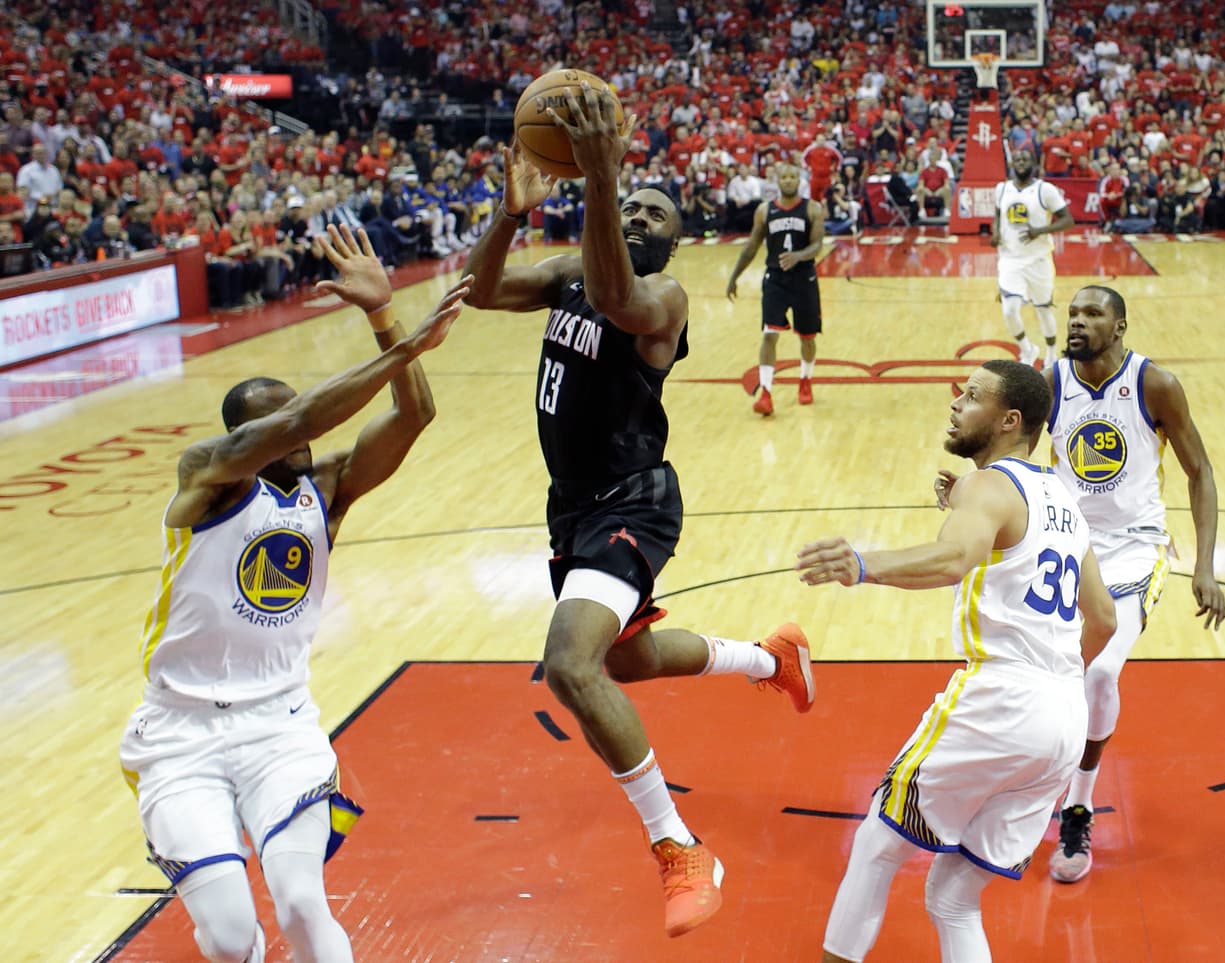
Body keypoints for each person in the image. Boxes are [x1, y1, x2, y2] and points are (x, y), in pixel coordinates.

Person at [460, 87, 815, 939]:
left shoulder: (662, 298)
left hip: (635, 500)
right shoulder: (565, 272)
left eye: (655, 210)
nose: (640, 214)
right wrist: (510, 219)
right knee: (628, 661)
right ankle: (770, 659)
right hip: (571, 507)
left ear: (676, 237)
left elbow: (619, 299)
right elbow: (479, 291)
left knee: (570, 664)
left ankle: (680, 847)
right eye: (632, 203)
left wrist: (601, 174)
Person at [119, 225, 473, 963]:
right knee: (226, 936)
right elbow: (301, 417)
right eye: (274, 423)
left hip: (281, 725)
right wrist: (401, 350)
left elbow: (415, 417)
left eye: (295, 423)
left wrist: (386, 316)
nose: (297, 436)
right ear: (241, 441)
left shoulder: (329, 490)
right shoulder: (203, 481)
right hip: (179, 737)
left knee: (303, 902)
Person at [799, 359, 1117, 963]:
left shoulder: (988, 487)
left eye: (971, 396)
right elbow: (1102, 618)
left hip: (1000, 701)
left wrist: (862, 564)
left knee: (876, 847)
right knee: (953, 898)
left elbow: (953, 559)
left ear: (1009, 420)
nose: (955, 403)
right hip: (1063, 718)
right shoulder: (1061, 498)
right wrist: (1053, 674)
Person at [1039, 285, 1225, 882]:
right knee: (1045, 670)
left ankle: (1078, 806)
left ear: (1120, 327)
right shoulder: (1052, 381)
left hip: (1136, 551)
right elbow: (1015, 453)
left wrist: (1203, 566)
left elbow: (1200, 471)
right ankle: (1028, 779)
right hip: (1067, 546)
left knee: (1097, 671)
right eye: (1073, 313)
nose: (1077, 322)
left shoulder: (1155, 384)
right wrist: (971, 487)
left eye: (1092, 314)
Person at [726, 162, 827, 416]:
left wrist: (799, 256)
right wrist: (734, 276)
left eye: (794, 176)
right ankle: (766, 393)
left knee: (808, 337)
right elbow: (751, 246)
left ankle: (805, 380)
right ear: (777, 181)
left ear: (799, 180)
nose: (789, 181)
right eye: (785, 177)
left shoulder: (812, 208)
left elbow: (817, 246)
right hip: (775, 280)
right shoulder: (764, 211)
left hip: (804, 279)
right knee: (769, 334)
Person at [992, 149, 1075, 368]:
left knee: (1043, 309)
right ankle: (1027, 349)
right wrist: (995, 232)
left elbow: (1068, 220)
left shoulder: (1045, 190)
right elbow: (998, 214)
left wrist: (1040, 231)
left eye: (1025, 159)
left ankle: (1050, 352)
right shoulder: (1001, 189)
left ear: (1034, 164)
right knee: (1009, 310)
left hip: (1039, 260)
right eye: (1017, 159)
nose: (1020, 162)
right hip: (1010, 259)